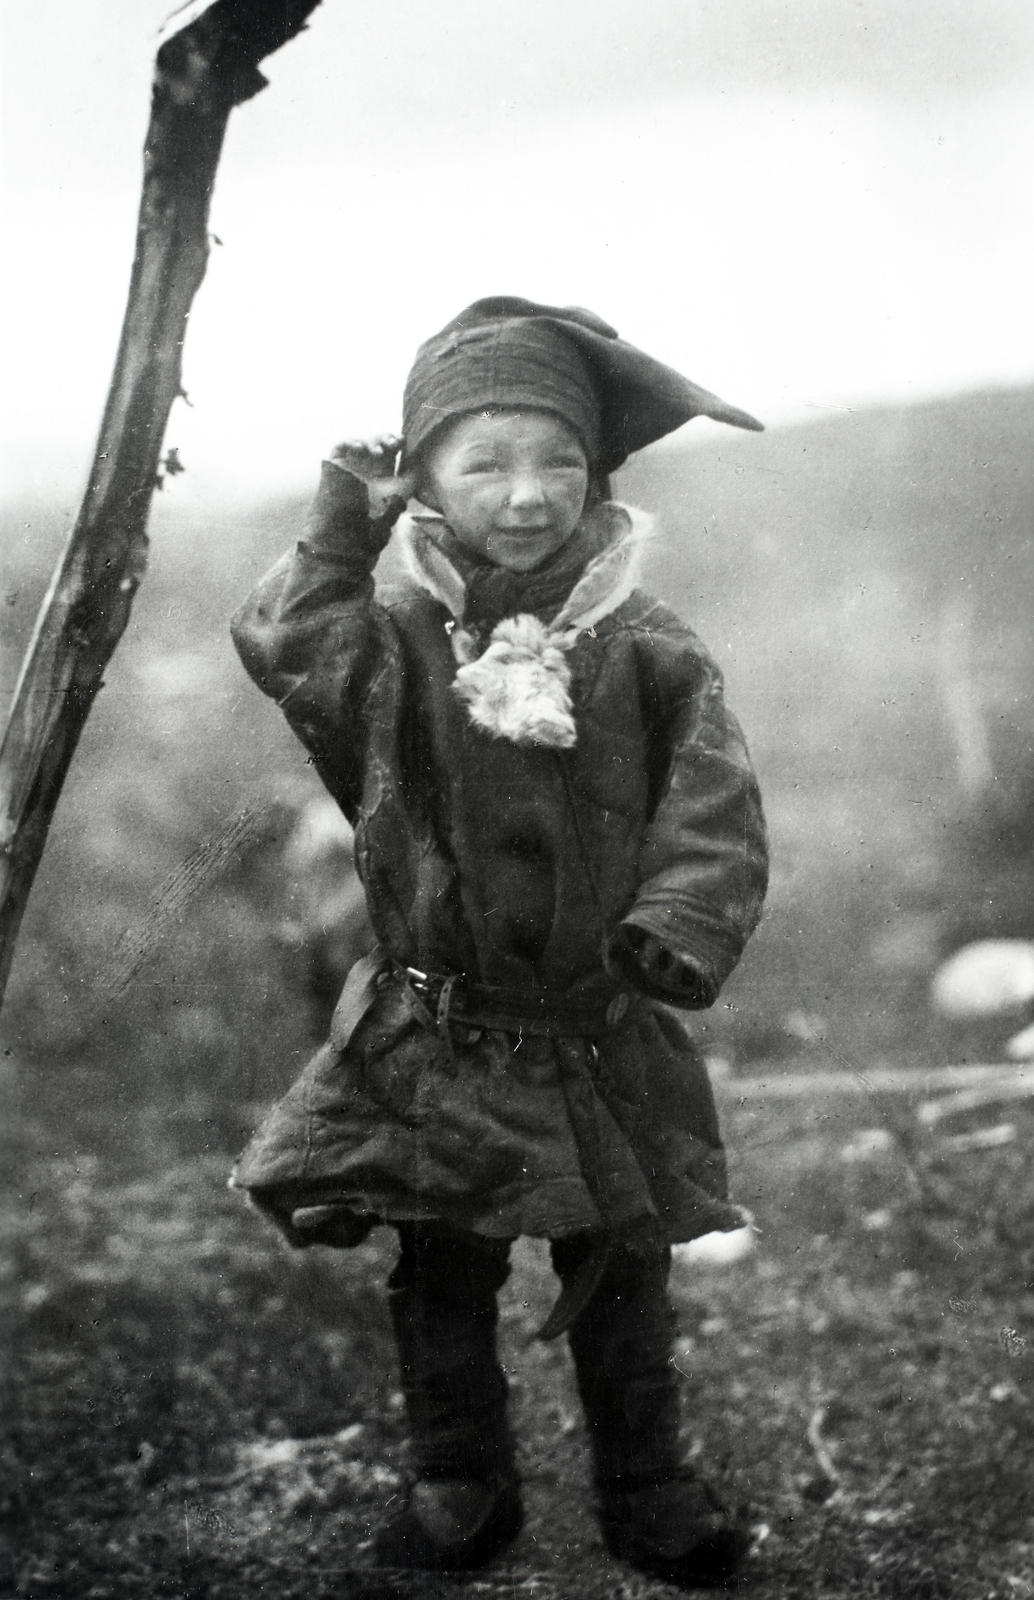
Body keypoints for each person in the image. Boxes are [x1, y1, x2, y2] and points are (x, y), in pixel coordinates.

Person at [230, 297, 769, 1586]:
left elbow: (715, 804)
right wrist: (332, 528)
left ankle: (648, 1485)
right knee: (444, 1265)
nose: (526, 496)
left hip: (595, 1027)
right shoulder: (392, 634)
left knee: (620, 1269)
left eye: (558, 464)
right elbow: (283, 645)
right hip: (439, 1028)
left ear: (595, 474)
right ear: (422, 476)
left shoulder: (641, 642)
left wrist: (672, 927)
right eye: (486, 463)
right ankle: (460, 1480)